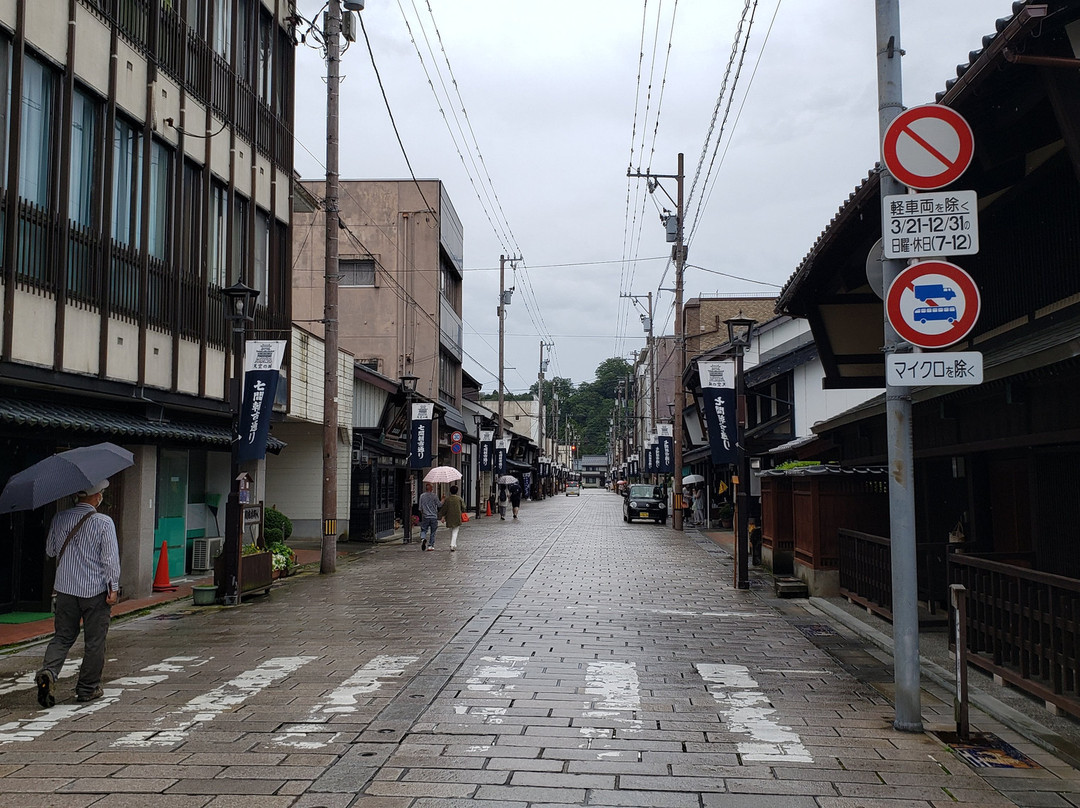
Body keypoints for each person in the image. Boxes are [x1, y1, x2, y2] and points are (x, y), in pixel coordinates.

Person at [35, 479, 120, 707]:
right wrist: (114, 588)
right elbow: (110, 559)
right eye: (101, 492)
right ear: (95, 497)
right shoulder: (103, 522)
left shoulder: (60, 517)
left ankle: (49, 673)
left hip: (65, 590)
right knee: (94, 641)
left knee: (62, 636)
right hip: (95, 591)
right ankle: (87, 688)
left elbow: (51, 550)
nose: (101, 496)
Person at [439, 484, 466, 552]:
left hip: (449, 517)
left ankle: (453, 544)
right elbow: (464, 507)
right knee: (455, 531)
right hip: (457, 516)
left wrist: (443, 516)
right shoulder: (459, 499)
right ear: (456, 491)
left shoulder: (448, 499)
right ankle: (452, 545)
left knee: (452, 530)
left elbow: (444, 509)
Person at [418, 483, 441, 550]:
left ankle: (423, 538)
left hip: (425, 516)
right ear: (431, 489)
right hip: (433, 516)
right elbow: (439, 505)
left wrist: (423, 513)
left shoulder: (422, 496)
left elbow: (420, 508)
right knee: (433, 532)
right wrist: (442, 500)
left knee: (424, 529)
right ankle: (430, 546)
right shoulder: (434, 496)